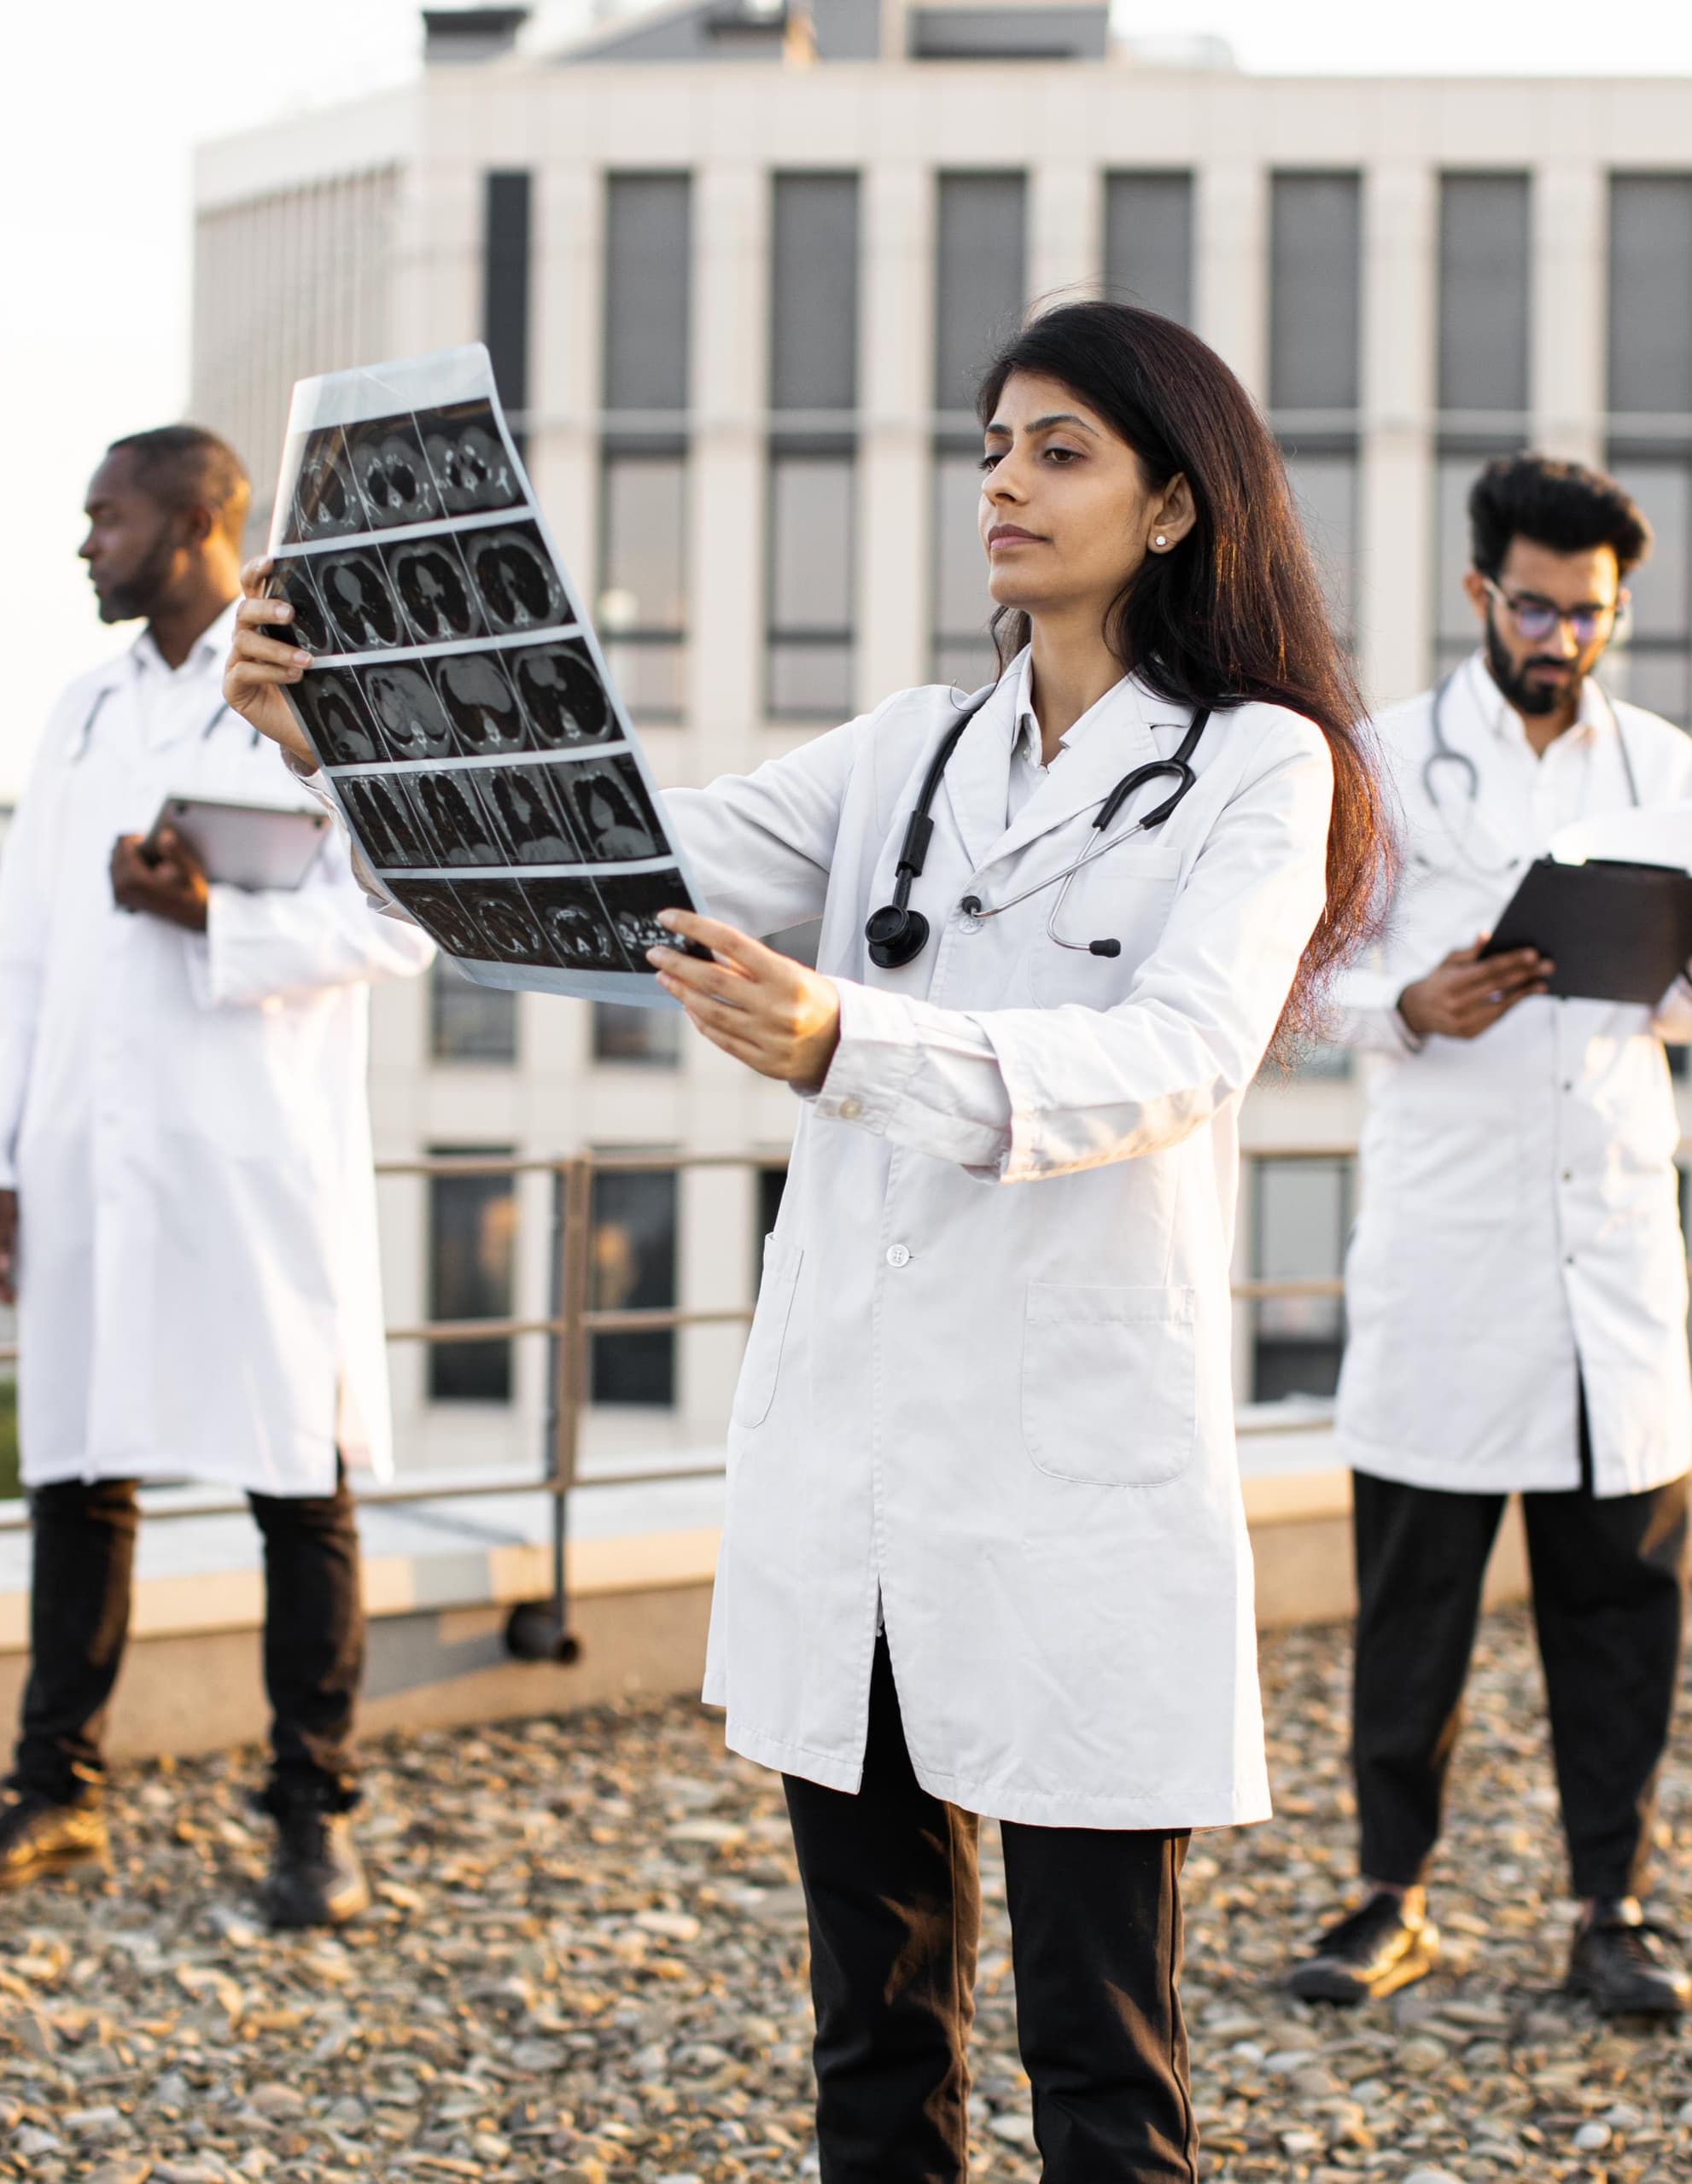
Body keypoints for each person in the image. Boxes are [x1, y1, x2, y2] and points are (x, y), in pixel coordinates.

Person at [234, 299, 1387, 2184]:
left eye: (1061, 449)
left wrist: (853, 1034)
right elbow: (622, 867)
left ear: (1180, 507)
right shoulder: (908, 752)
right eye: (995, 444)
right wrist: (336, 737)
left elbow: (1173, 1056)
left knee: (1102, 2056)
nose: (1005, 480)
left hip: (1069, 1468)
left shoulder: (1260, 764)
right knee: (873, 2032)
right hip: (857, 1468)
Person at [0, 427, 435, 1925]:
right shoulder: (80, 713)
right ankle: (55, 1790)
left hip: (252, 1150)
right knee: (79, 1471)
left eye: (108, 517)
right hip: (88, 1151)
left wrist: (218, 919)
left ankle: (310, 1811)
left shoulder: (308, 691)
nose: (86, 543)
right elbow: (18, 952)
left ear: (201, 518)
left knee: (297, 1480)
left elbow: (402, 923)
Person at [1286, 453, 1692, 2018]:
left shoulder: (1663, 764)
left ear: (1620, 611)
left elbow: (1673, 1013)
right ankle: (1388, 1897)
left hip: (1612, 1246)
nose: (1560, 635)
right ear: (1483, 592)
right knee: (1415, 1597)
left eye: (1591, 613)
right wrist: (1406, 1006)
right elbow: (1296, 981)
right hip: (1451, 1242)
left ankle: (1611, 1907)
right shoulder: (1384, 762)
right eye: (1537, 605)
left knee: (1619, 1600)